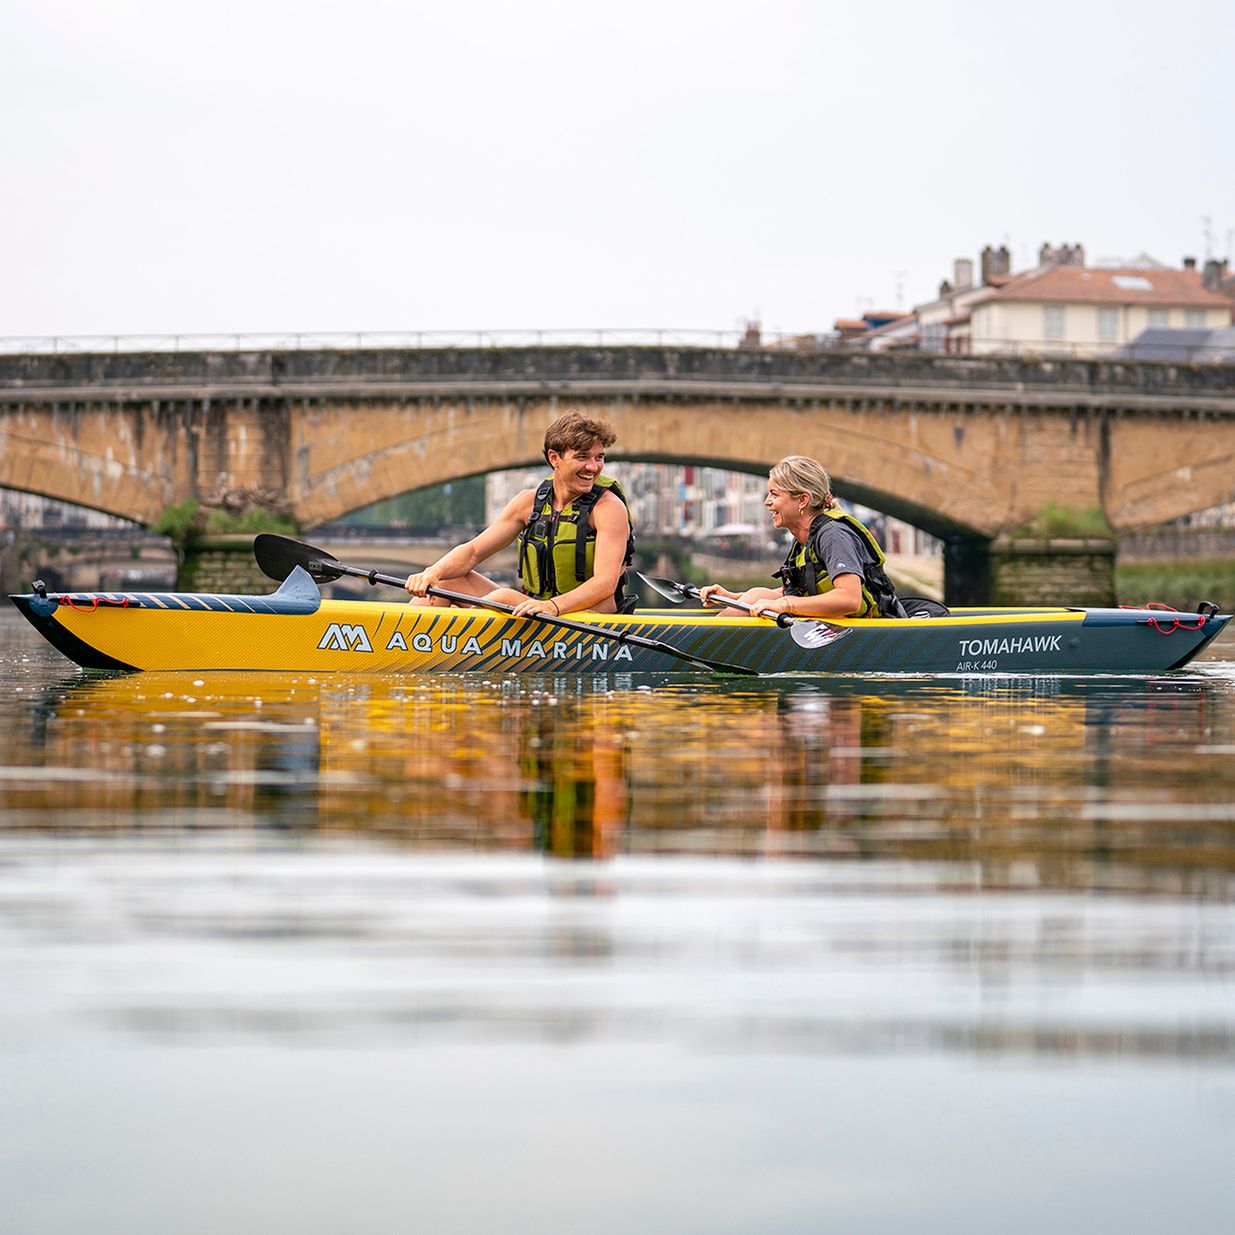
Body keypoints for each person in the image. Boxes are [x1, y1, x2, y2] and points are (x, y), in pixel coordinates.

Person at [404, 410, 635, 616]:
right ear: (554, 458)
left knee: (503, 598)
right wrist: (433, 572)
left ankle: (464, 645)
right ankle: (400, 642)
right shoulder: (528, 502)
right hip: (540, 609)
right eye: (582, 457)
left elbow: (606, 582)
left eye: (599, 457)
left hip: (588, 620)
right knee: (447, 579)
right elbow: (473, 551)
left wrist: (553, 606)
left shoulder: (609, 508)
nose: (593, 467)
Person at [700, 455, 906, 620]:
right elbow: (799, 592)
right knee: (756, 594)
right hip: (833, 624)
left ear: (802, 500)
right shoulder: (804, 538)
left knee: (759, 596)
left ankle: (702, 645)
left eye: (774, 494)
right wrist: (733, 599)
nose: (767, 502)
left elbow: (849, 599)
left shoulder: (833, 535)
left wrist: (786, 605)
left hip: (872, 629)